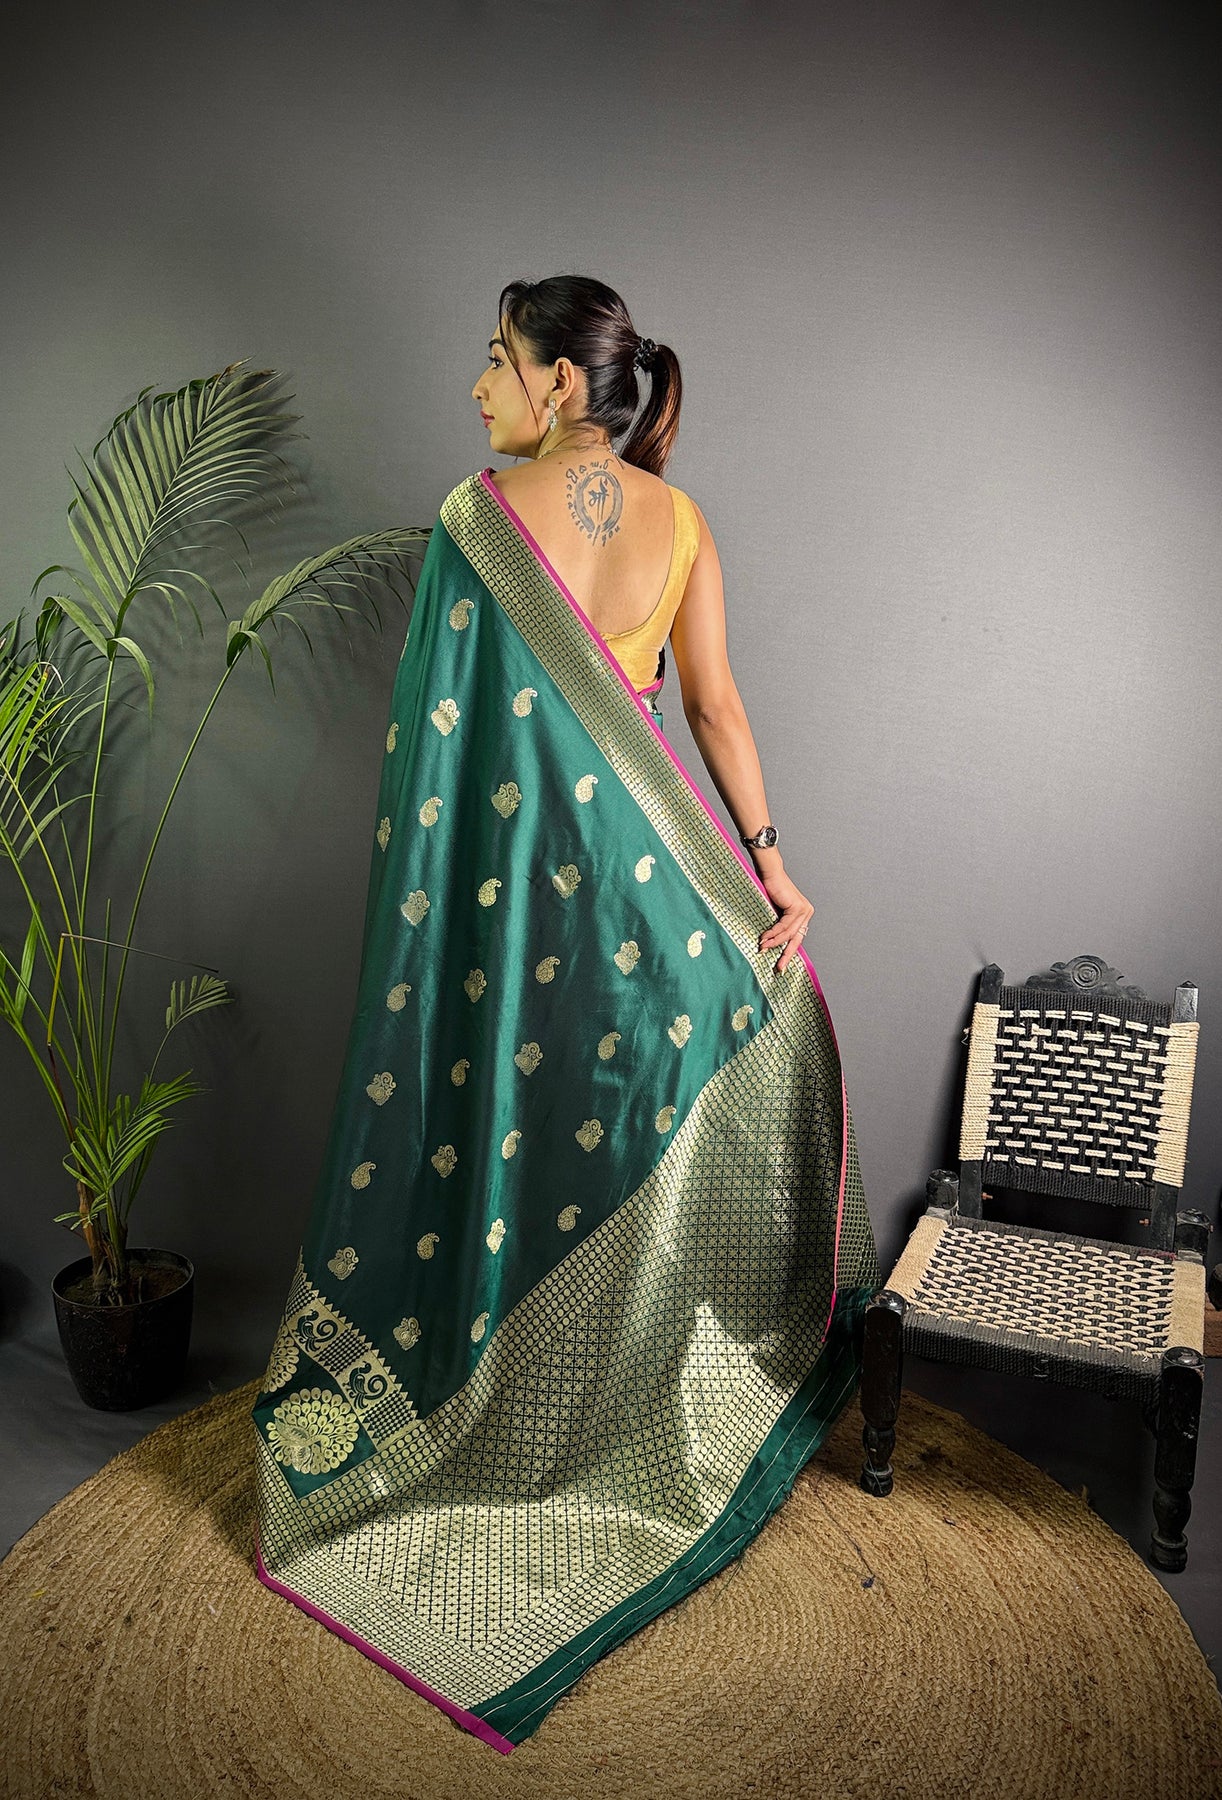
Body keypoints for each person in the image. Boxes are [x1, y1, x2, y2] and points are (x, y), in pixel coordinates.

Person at [250, 274, 879, 1754]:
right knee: (631, 1171)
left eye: (495, 361)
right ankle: (621, 1420)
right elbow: (714, 712)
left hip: (518, 925)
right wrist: (771, 873)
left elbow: (438, 769)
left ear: (554, 385)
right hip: (655, 925)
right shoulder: (682, 520)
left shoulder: (476, 521)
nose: (476, 388)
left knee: (516, 1158)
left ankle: (493, 1427)